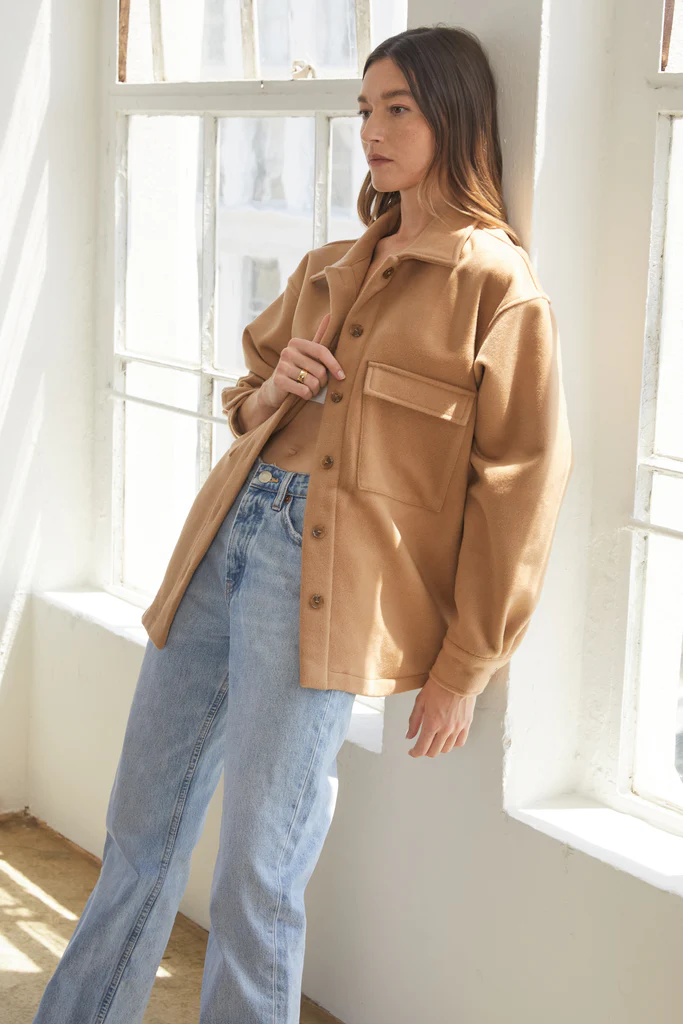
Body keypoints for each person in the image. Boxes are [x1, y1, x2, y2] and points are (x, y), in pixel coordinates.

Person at [33, 24, 573, 1024]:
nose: (370, 129)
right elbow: (240, 398)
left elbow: (521, 486)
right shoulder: (330, 264)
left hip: (319, 584)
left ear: (452, 116)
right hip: (225, 538)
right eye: (364, 109)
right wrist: (272, 386)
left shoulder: (496, 289)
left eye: (396, 108)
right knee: (138, 829)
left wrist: (464, 665)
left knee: (258, 869)